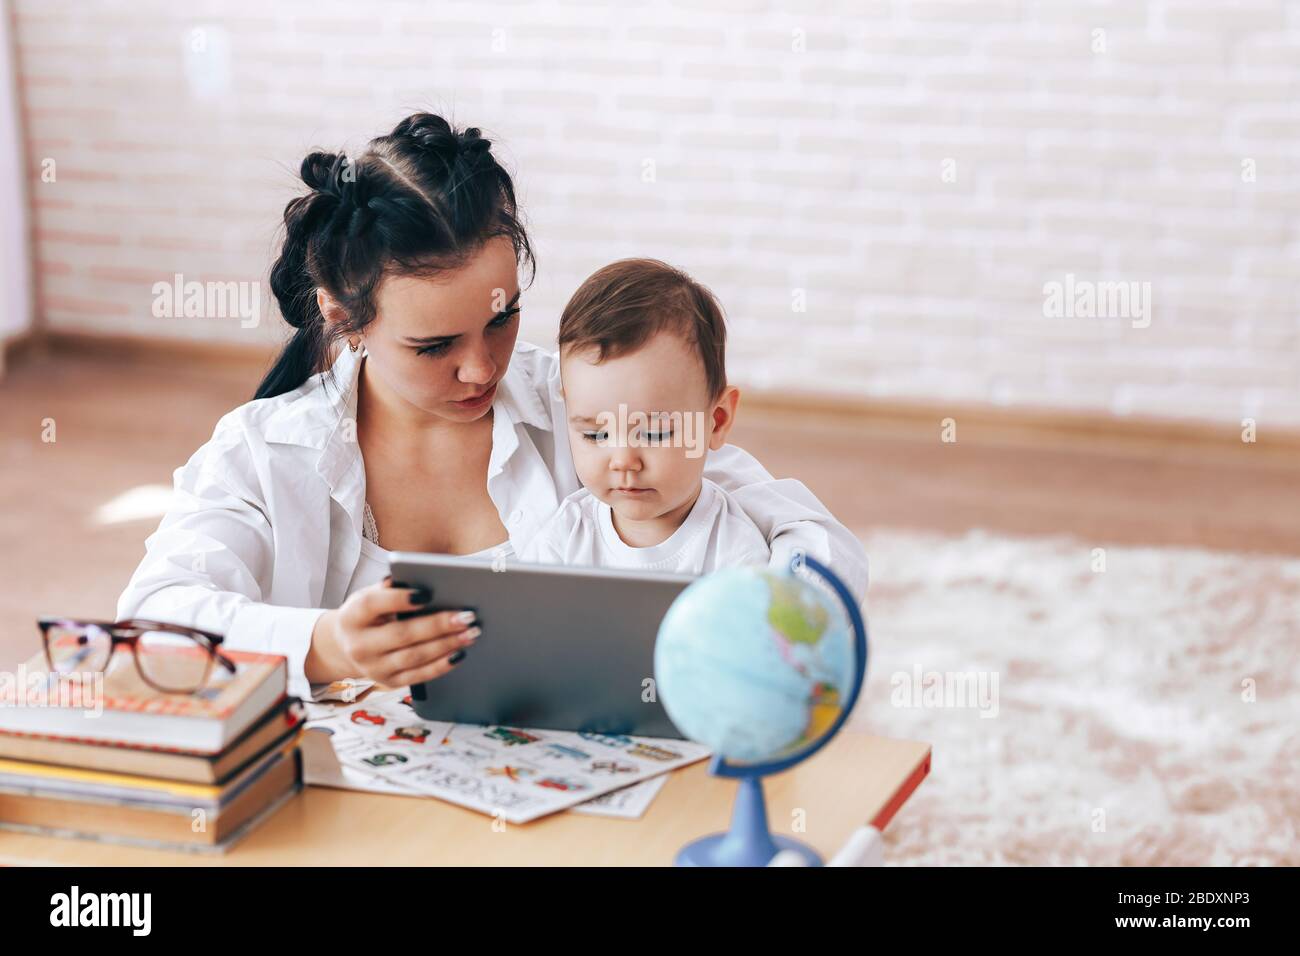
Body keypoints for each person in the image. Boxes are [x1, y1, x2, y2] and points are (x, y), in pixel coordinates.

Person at [116, 113, 869, 700]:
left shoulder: (582, 408)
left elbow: (799, 534)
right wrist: (326, 645)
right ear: (344, 316)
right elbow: (151, 625)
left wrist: (762, 626)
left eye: (502, 319)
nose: (482, 368)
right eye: (434, 344)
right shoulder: (266, 451)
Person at [518, 258, 771, 574]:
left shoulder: (734, 552)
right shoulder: (566, 536)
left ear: (716, 421)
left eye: (654, 433)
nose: (623, 460)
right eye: (596, 435)